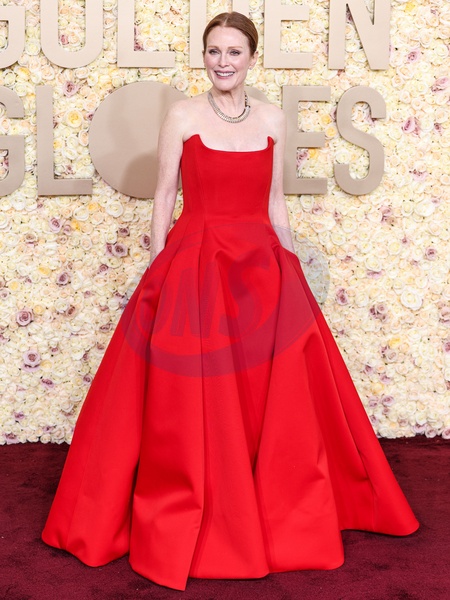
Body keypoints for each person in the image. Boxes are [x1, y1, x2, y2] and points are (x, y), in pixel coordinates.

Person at [41, 11, 419, 592]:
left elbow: (275, 202)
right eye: (214, 51)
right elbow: (164, 195)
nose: (223, 62)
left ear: (251, 57)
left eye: (234, 52)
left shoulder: (272, 119)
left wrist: (289, 265)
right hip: (197, 266)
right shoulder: (183, 115)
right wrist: (159, 268)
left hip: (261, 269)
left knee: (271, 392)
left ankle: (273, 507)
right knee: (190, 399)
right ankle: (203, 510)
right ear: (204, 56)